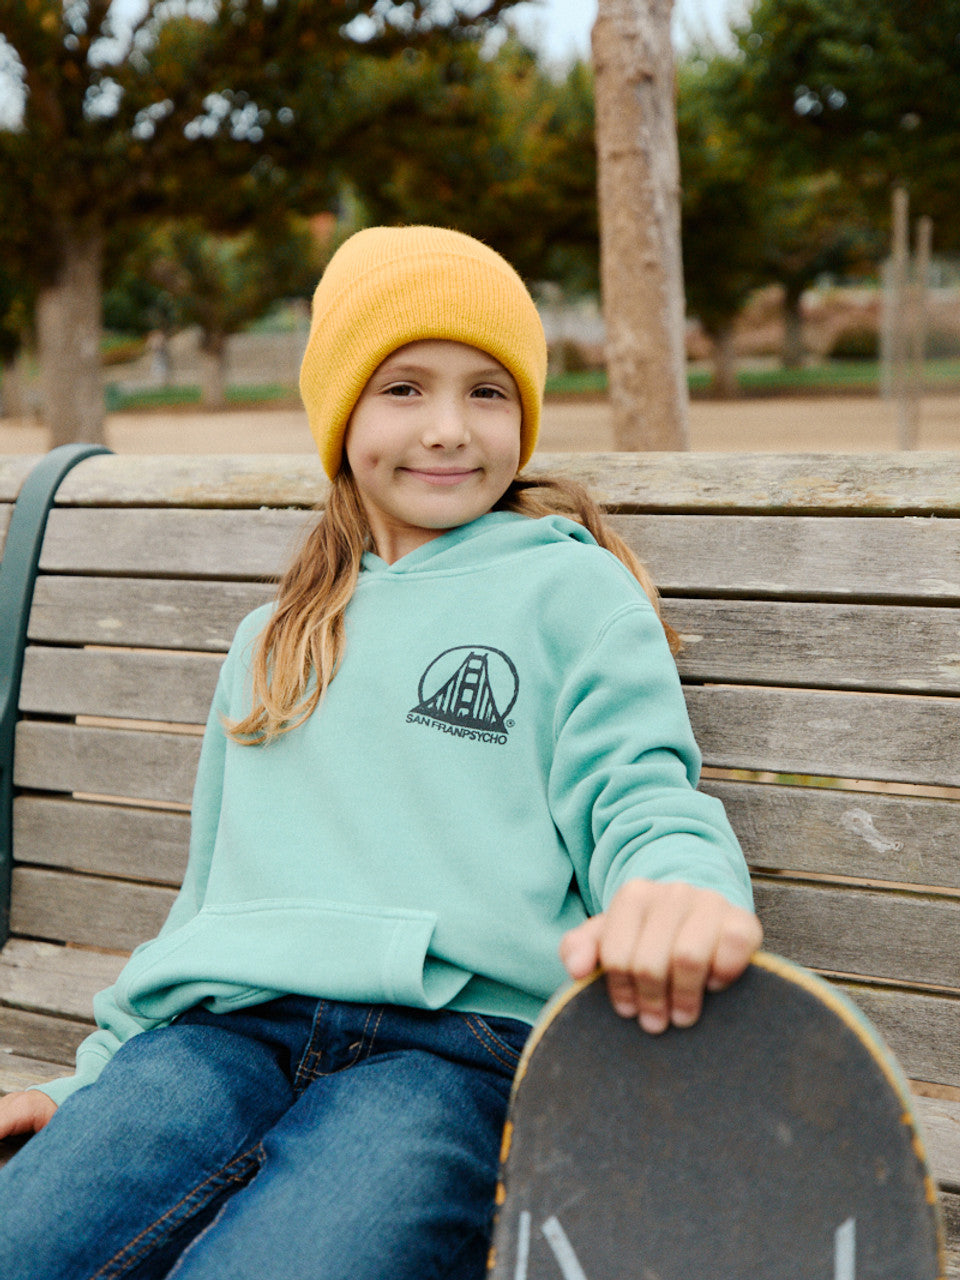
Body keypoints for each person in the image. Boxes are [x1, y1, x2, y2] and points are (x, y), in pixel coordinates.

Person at [0, 226, 762, 1279]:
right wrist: (88, 1082)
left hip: (449, 1055)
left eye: (488, 392)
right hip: (220, 1036)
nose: (448, 428)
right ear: (340, 412)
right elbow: (206, 902)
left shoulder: (572, 592)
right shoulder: (272, 640)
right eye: (403, 388)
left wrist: (682, 891)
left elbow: (642, 798)